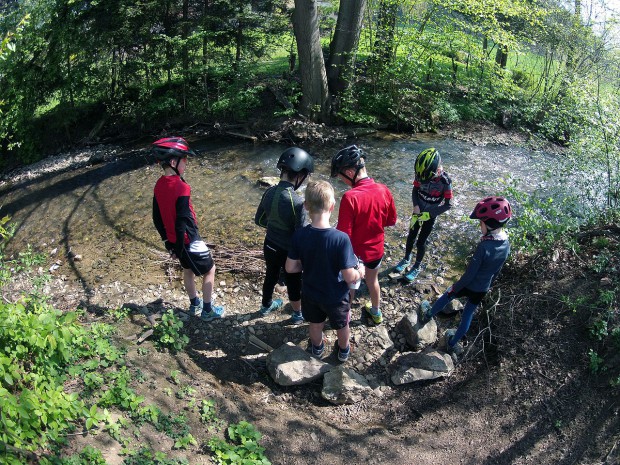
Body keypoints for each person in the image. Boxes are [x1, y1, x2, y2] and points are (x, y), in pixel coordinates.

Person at [419, 196, 512, 356]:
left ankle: (428, 314)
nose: (479, 225)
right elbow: (497, 270)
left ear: (489, 225)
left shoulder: (484, 246)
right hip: (483, 287)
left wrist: (456, 287)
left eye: (481, 223)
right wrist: (489, 285)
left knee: (447, 295)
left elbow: (470, 274)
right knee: (468, 314)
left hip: (469, 284)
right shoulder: (506, 245)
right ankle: (452, 342)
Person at [285, 180, 365, 362]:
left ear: (306, 206)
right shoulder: (341, 239)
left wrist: (307, 265)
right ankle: (344, 350)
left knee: (315, 324)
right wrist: (360, 271)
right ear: (332, 206)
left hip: (311, 293)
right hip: (336, 297)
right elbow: (348, 276)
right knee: (342, 325)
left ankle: (317, 349)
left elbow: (290, 267)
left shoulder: (300, 235)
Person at [151, 137, 225, 321]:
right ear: (174, 162)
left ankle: (194, 304)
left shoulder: (158, 185)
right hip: (189, 240)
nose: (186, 165)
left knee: (188, 270)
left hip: (175, 240)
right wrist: (179, 246)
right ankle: (207, 310)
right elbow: (183, 220)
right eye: (185, 161)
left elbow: (156, 217)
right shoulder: (182, 187)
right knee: (210, 269)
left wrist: (169, 242)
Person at [330, 145, 397, 325]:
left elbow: (344, 236)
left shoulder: (350, 197)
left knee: (350, 286)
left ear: (351, 172)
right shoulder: (384, 190)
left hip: (355, 255)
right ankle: (376, 313)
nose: (342, 181)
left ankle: (345, 314)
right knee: (372, 280)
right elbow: (391, 221)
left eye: (341, 176)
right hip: (376, 250)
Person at [254, 147, 314, 323]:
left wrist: (274, 226)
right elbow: (300, 236)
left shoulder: (269, 192)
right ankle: (297, 314)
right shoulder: (298, 202)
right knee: (294, 282)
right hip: (289, 252)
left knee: (270, 275)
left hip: (269, 244)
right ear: (300, 174)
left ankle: (265, 306)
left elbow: (259, 220)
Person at [394, 147, 453, 282]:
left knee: (421, 242)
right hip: (417, 212)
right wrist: (416, 206)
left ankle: (417, 266)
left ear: (437, 171)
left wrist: (430, 214)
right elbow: (415, 190)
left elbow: (448, 204)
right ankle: (406, 258)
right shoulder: (420, 174)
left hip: (430, 216)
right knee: (411, 236)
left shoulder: (445, 181)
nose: (422, 181)